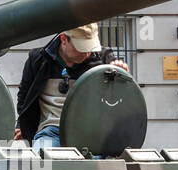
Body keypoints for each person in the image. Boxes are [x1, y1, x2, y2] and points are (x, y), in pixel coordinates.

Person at [14, 23, 128, 151]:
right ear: (63, 39)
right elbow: (24, 96)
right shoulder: (38, 60)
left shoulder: (103, 58)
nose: (86, 53)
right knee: (43, 163)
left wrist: (120, 76)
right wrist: (22, 125)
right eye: (81, 47)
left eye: (90, 47)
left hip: (93, 133)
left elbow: (117, 101)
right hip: (52, 131)